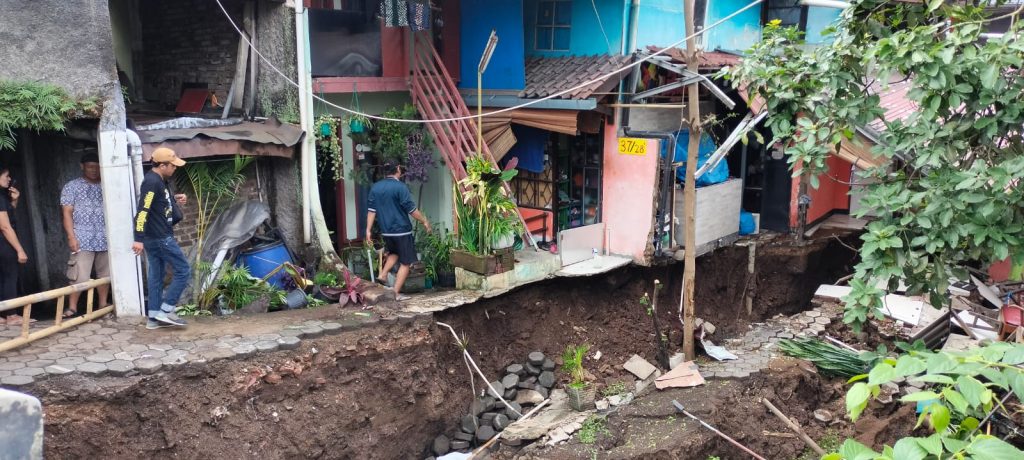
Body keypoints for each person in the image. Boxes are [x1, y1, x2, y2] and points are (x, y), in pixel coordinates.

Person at [132, 147, 189, 329]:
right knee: (183, 270)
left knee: (157, 276)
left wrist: (174, 199)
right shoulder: (151, 182)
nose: (175, 168)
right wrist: (138, 238)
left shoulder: (160, 180)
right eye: (172, 165)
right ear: (163, 165)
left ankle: (153, 319)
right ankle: (166, 311)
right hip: (159, 238)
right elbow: (143, 210)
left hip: (155, 237)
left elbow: (159, 203)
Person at [366, 163, 431, 301]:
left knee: (394, 253)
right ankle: (395, 293)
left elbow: (371, 210)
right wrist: (424, 221)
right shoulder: (400, 187)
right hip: (401, 230)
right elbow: (411, 210)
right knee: (406, 263)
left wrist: (368, 230)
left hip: (387, 231)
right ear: (397, 170)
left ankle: (383, 275)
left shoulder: (376, 188)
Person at [60, 153, 109, 317]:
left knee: (105, 274)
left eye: (97, 167)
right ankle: (72, 307)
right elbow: (66, 213)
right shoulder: (72, 186)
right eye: (90, 166)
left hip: (105, 237)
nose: (94, 170)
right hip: (82, 238)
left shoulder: (107, 185)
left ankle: (102, 305)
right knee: (79, 276)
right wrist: (71, 237)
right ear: (82, 167)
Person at [0, 167, 27, 326]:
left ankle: (3, 315)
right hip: (3, 243)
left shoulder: (4, 197)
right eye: (6, 176)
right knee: (10, 276)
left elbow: (6, 217)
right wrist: (19, 249)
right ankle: (11, 315)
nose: (9, 179)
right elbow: (5, 227)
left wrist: (14, 200)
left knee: (2, 277)